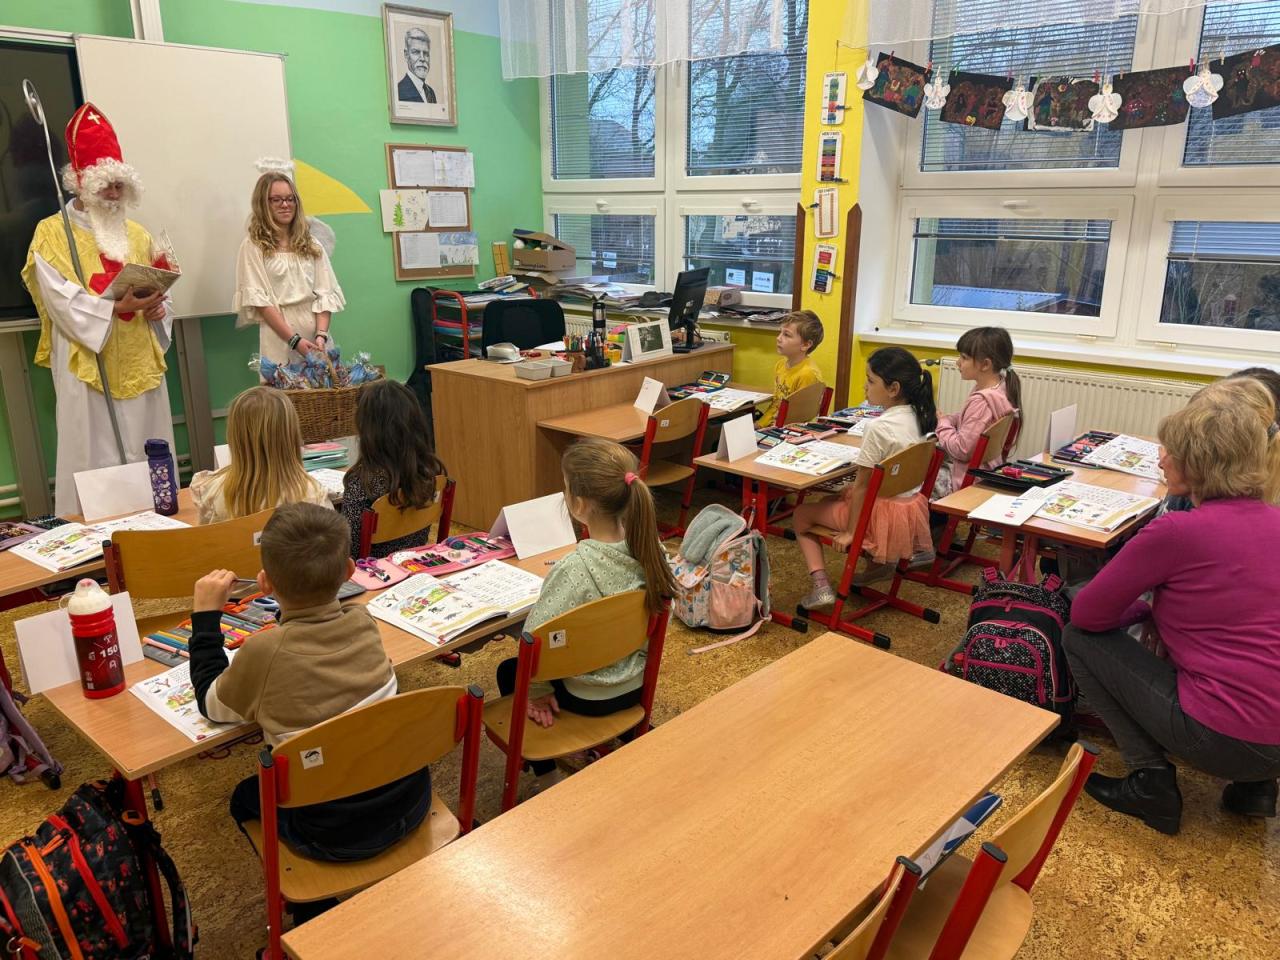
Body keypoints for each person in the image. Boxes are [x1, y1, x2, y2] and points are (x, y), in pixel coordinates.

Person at [190, 503, 430, 917]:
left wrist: (205, 617)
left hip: (331, 834)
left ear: (264, 582)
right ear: (350, 571)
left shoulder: (264, 651)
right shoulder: (365, 621)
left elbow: (211, 704)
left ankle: (310, 911)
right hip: (410, 800)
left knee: (243, 798)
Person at [1064, 379, 1280, 835]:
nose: (1161, 459)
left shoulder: (1177, 532)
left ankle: (1150, 781)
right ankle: (1255, 788)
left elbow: (1088, 616)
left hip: (1221, 735)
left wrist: (1145, 610)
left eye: (1171, 451)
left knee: (1076, 636)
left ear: (1197, 463)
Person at [495, 438, 676, 795]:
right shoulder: (651, 549)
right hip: (636, 685)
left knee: (508, 671)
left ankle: (547, 775)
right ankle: (629, 734)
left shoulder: (573, 568)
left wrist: (539, 693)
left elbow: (534, 643)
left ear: (578, 505)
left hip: (587, 697)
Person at [21, 103, 176, 515]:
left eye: (119, 185)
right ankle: (94, 536)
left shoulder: (139, 234)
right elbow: (59, 301)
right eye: (105, 184)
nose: (113, 193)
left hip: (139, 362)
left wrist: (159, 310)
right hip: (89, 367)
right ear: (81, 183)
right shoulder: (52, 234)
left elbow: (159, 284)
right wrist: (112, 307)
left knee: (146, 453)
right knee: (96, 462)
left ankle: (157, 524)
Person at [794, 347, 936, 606]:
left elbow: (861, 487)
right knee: (831, 500)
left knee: (802, 514)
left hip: (877, 515)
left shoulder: (878, 427)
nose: (865, 387)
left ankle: (822, 588)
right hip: (906, 509)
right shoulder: (922, 416)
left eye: (870, 381)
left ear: (893, 389)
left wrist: (851, 532)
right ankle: (877, 567)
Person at [235, 173, 344, 366]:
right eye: (276, 200)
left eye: (289, 198)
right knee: (284, 385)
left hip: (316, 339)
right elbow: (261, 302)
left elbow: (325, 293)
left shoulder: (311, 243)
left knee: (323, 384)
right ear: (263, 204)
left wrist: (321, 335)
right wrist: (294, 340)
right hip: (279, 338)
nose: (285, 205)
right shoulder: (253, 246)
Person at [189, 386, 329, 524]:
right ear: (291, 435)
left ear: (234, 437)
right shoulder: (313, 494)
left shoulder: (210, 491)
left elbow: (206, 536)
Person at [342, 380, 447, 559]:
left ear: (367, 430)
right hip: (413, 562)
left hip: (373, 571)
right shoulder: (430, 471)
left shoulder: (361, 483)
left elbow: (350, 552)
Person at [931, 327, 1020, 500]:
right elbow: (972, 422)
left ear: (985, 364)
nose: (958, 363)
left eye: (964, 358)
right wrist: (949, 419)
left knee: (913, 479)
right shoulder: (1000, 387)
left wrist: (942, 424)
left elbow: (961, 450)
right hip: (986, 469)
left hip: (968, 479)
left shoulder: (982, 401)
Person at [753, 310, 825, 427]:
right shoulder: (780, 365)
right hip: (774, 425)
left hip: (792, 430)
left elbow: (801, 417)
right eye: (780, 332)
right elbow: (776, 404)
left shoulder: (808, 374)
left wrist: (770, 428)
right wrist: (759, 425)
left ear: (806, 345)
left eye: (786, 335)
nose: (778, 338)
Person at [397, 28, 437, 103]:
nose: (422, 58)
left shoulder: (431, 92)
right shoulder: (399, 91)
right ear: (406, 55)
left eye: (426, 53)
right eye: (416, 52)